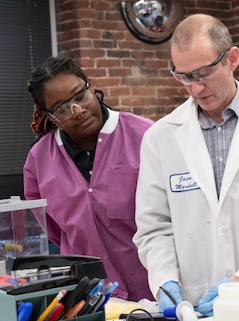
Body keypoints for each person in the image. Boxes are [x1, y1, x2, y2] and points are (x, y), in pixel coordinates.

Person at [133, 14, 239, 317]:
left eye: (204, 73)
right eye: (184, 77)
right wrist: (164, 281)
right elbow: (154, 228)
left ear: (232, 58)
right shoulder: (159, 138)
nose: (196, 88)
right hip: (192, 306)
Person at [24, 56, 155, 301]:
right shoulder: (38, 160)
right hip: (90, 298)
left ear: (90, 86)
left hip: (156, 290)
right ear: (49, 115)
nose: (78, 111)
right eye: (62, 108)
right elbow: (54, 231)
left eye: (80, 96)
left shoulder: (145, 136)